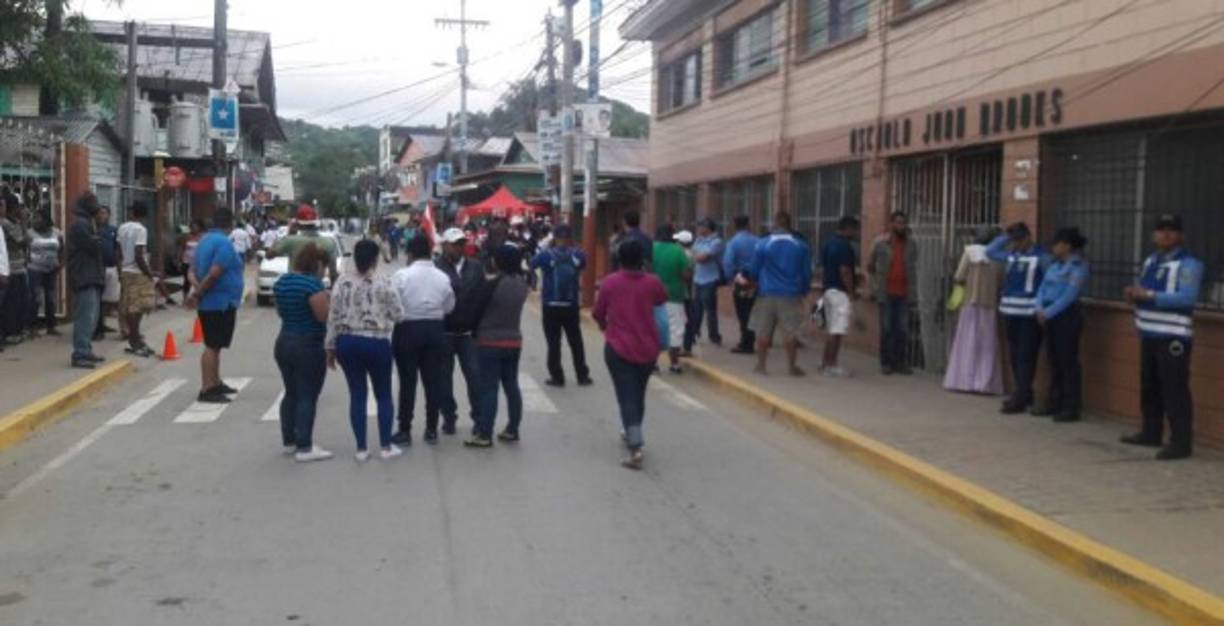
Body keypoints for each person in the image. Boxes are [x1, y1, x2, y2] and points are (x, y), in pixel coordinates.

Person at [1121, 215, 1203, 461]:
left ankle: (1180, 442)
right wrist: (1134, 295)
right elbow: (1144, 288)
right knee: (1150, 385)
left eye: (1172, 230)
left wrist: (1148, 295)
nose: (1166, 234)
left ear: (1181, 236)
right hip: (1149, 332)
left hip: (1173, 335)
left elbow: (1187, 298)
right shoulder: (1151, 261)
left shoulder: (1189, 264)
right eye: (1161, 230)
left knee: (1174, 388)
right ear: (1154, 235)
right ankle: (1150, 431)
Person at [327, 239, 407, 462]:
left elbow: (332, 318)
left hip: (347, 343)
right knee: (383, 395)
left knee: (357, 394)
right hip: (376, 343)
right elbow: (399, 314)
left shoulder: (342, 282)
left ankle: (361, 449)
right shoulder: (384, 282)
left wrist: (330, 348)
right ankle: (385, 446)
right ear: (375, 259)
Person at [594, 240, 668, 470]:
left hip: (619, 347)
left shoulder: (610, 283)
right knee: (637, 393)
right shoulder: (653, 282)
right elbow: (661, 300)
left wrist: (606, 326)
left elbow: (598, 313)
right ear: (642, 260)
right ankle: (632, 428)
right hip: (648, 347)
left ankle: (635, 445)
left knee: (626, 395)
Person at [390, 234, 455, 445]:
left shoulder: (401, 275)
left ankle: (405, 429)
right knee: (432, 382)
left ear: (409, 253)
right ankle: (431, 429)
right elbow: (449, 307)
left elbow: (392, 305)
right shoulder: (443, 277)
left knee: (407, 382)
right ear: (430, 252)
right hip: (435, 329)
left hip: (407, 329)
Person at [465, 244, 530, 448]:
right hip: (513, 340)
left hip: (489, 341)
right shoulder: (522, 284)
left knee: (489, 388)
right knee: (512, 386)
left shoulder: (492, 285)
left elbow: (475, 311)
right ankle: (513, 428)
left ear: (498, 261)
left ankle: (485, 433)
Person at [273, 243, 333, 462]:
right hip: (308, 344)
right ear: (316, 264)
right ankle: (305, 446)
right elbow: (322, 316)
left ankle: (289, 441)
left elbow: (280, 311)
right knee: (308, 395)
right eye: (324, 267)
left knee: (291, 393)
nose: (324, 271)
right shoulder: (312, 285)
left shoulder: (282, 282)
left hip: (284, 341)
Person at [986, 222, 1052, 414]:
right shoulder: (1013, 256)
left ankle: (1021, 396)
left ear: (1028, 238)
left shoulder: (1042, 257)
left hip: (1030, 315)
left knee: (1026, 356)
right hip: (1010, 312)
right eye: (1012, 241)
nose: (1014, 245)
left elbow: (1049, 282)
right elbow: (990, 251)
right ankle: (1023, 392)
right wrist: (1005, 237)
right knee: (1015, 356)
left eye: (1018, 240)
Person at [185, 209, 246, 403]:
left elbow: (191, 272)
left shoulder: (204, 241)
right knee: (212, 345)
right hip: (219, 303)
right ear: (230, 224)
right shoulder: (224, 244)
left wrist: (197, 288)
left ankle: (215, 381)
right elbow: (214, 273)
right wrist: (199, 293)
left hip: (212, 301)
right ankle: (207, 388)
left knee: (216, 344)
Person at [749, 211, 813, 377]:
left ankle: (761, 366)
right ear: (790, 224)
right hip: (791, 294)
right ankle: (792, 367)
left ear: (775, 223)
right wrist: (804, 290)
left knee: (763, 331)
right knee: (790, 332)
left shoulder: (762, 244)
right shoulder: (801, 246)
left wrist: (753, 283)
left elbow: (754, 270)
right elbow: (806, 272)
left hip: (766, 292)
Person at [1035, 227, 1089, 423]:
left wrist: (1048, 313)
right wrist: (1039, 307)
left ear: (1067, 246)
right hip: (1049, 316)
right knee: (1054, 360)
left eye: (1056, 244)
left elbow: (1069, 295)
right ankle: (1055, 402)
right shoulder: (1054, 265)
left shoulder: (1078, 267)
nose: (1053, 247)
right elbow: (1042, 288)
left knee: (1068, 361)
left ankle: (1071, 406)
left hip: (1067, 316)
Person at [942, 228, 1005, 394]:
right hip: (990, 304)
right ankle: (984, 384)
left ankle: (962, 381)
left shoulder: (969, 252)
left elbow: (959, 276)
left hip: (970, 303)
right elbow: (1002, 281)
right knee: (987, 346)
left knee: (967, 342)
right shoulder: (999, 257)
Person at [435, 228, 485, 433]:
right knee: (443, 380)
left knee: (475, 377)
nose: (459, 247)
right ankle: (449, 417)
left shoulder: (475, 267)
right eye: (455, 243)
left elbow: (483, 297)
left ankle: (479, 418)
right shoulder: (436, 268)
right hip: (444, 333)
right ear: (444, 245)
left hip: (468, 334)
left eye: (461, 243)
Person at [530, 223, 592, 387]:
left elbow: (531, 264)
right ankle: (582, 375)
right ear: (570, 237)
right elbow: (583, 267)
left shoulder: (545, 255)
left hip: (550, 304)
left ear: (555, 237)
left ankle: (557, 377)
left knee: (553, 343)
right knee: (576, 341)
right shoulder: (578, 254)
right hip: (570, 304)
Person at [868, 211, 918, 375]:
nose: (901, 226)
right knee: (887, 328)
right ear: (891, 224)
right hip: (886, 292)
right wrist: (874, 288)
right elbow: (870, 266)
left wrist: (914, 293)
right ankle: (886, 362)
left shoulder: (911, 244)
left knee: (902, 329)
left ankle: (900, 362)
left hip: (904, 293)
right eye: (897, 222)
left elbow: (913, 267)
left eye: (903, 223)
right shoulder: (881, 243)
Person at [66, 193, 106, 368]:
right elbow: (94, 246)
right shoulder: (81, 225)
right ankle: (80, 353)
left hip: (91, 276)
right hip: (84, 276)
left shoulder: (88, 223)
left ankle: (86, 349)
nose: (97, 207)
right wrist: (98, 237)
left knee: (92, 317)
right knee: (85, 317)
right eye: (94, 203)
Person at [818, 216, 860, 377]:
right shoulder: (844, 246)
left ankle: (825, 363)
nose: (856, 233)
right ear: (848, 228)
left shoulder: (829, 243)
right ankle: (831, 364)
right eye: (855, 230)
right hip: (839, 293)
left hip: (828, 290)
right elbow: (845, 271)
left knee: (831, 329)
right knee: (837, 331)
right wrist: (851, 292)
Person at [116, 202, 158, 358]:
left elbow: (118, 251)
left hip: (126, 271)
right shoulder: (141, 230)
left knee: (129, 305)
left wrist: (120, 269)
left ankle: (135, 338)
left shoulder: (122, 228)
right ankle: (135, 339)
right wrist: (149, 273)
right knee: (139, 306)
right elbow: (139, 254)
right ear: (144, 216)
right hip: (137, 272)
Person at [651, 224, 692, 374]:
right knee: (675, 330)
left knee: (654, 328)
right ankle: (674, 364)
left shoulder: (651, 248)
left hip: (653, 296)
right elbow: (687, 274)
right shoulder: (678, 251)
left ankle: (653, 362)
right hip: (674, 296)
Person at [269, 205, 338, 284]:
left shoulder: (289, 240)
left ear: (297, 224)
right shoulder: (329, 242)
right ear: (316, 223)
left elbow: (269, 255)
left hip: (295, 288)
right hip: (316, 288)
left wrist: (290, 233)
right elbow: (333, 273)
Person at [685, 218, 725, 353]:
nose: (698, 229)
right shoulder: (699, 240)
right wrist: (696, 255)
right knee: (696, 309)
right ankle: (695, 334)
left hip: (710, 279)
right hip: (697, 279)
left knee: (710, 310)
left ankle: (714, 336)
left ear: (708, 228)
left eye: (701, 226)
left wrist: (696, 255)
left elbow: (702, 258)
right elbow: (692, 256)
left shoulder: (717, 242)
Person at [722, 216, 759, 355]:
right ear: (748, 225)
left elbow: (728, 262)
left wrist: (730, 278)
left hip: (741, 279)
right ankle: (749, 339)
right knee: (752, 310)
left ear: (735, 226)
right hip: (755, 280)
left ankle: (746, 342)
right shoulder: (757, 240)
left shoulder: (733, 242)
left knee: (743, 312)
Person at [26, 211, 64, 337]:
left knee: (51, 298)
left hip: (52, 268)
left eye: (38, 218)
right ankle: (33, 327)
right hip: (35, 268)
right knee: (36, 298)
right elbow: (24, 249)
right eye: (34, 218)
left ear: (46, 219)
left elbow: (62, 248)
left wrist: (61, 263)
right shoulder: (30, 233)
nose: (35, 220)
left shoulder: (57, 232)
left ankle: (51, 326)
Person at [0, 192, 30, 345]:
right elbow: (22, 241)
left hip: (20, 267)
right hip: (10, 269)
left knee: (22, 302)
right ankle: (10, 333)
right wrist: (24, 223)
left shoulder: (14, 222)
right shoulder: (5, 223)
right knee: (11, 303)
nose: (21, 209)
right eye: (19, 206)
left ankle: (17, 330)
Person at [95, 206, 121, 340]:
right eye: (99, 213)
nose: (101, 215)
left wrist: (118, 267)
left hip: (111, 268)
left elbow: (117, 249)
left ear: (109, 215)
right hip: (98, 269)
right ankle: (98, 327)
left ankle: (103, 323)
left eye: (104, 213)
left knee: (109, 299)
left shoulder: (113, 230)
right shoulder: (93, 229)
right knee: (98, 299)